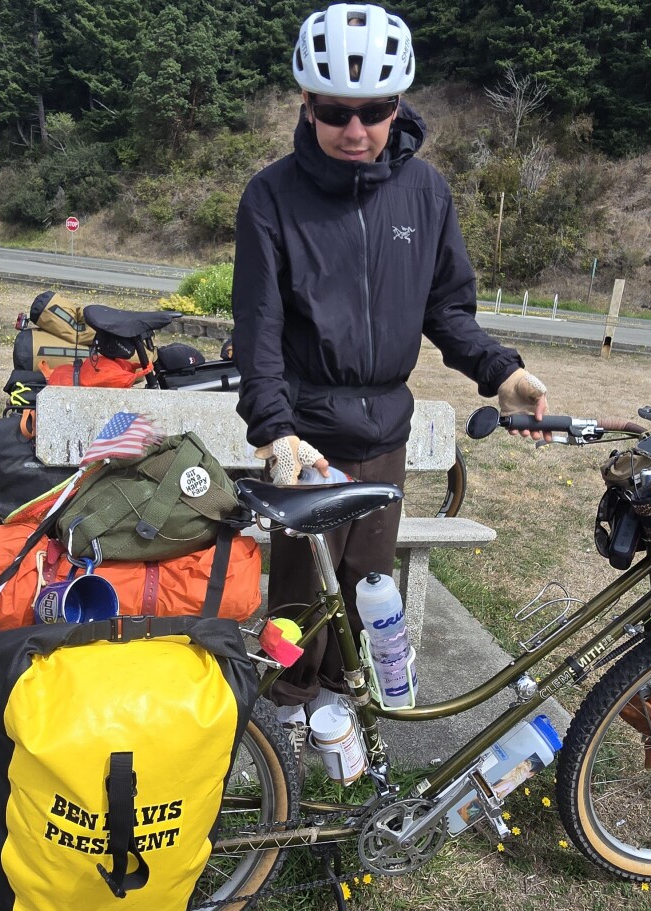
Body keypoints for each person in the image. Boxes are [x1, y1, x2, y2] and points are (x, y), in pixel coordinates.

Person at [231, 2, 550, 740]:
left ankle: (346, 713)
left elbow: (449, 310)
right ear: (306, 103)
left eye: (373, 111)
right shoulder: (272, 197)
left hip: (386, 431)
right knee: (299, 601)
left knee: (367, 589)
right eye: (336, 111)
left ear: (397, 103)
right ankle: (282, 716)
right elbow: (260, 330)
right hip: (308, 436)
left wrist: (501, 371)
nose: (356, 130)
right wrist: (274, 431)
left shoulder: (425, 193)